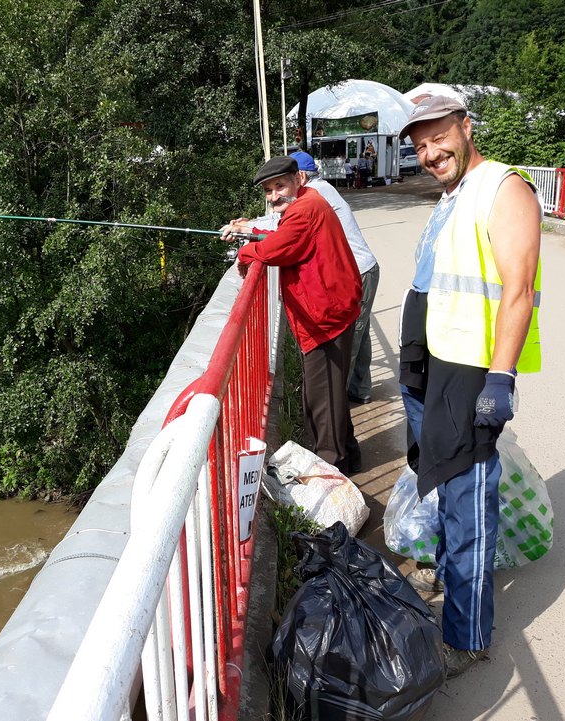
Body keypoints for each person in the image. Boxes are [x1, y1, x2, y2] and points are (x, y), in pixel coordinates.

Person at [396, 96, 542, 678]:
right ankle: (444, 570)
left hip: (471, 368)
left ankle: (467, 635)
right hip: (433, 359)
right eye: (420, 145)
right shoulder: (453, 194)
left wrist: (500, 378)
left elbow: (519, 288)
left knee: (468, 498)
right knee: (438, 475)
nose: (431, 153)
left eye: (439, 138)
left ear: (466, 126)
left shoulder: (504, 188)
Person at [220, 157, 362, 474]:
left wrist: (244, 252)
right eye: (268, 190)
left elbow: (277, 249)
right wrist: (251, 233)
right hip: (331, 310)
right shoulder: (306, 202)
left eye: (279, 186)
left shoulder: (305, 209)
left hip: (325, 317)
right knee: (331, 395)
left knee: (321, 403)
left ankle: (331, 472)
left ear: (298, 179)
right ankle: (350, 458)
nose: (274, 196)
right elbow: (283, 238)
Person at [287, 151, 381, 412]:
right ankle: (359, 390)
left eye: (286, 181)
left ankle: (337, 406)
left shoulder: (315, 194)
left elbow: (288, 226)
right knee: (360, 334)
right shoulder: (321, 190)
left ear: (300, 176)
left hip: (358, 272)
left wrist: (249, 228)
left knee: (350, 339)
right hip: (363, 270)